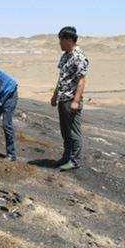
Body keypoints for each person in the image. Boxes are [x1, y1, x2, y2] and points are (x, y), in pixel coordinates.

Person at [50, 26, 89, 171]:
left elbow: (81, 80)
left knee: (74, 132)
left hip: (72, 100)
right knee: (65, 131)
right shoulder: (66, 55)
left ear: (68, 40)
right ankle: (66, 157)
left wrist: (76, 101)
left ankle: (74, 160)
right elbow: (62, 78)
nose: (59, 43)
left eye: (61, 40)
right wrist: (55, 95)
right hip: (63, 98)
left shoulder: (79, 57)